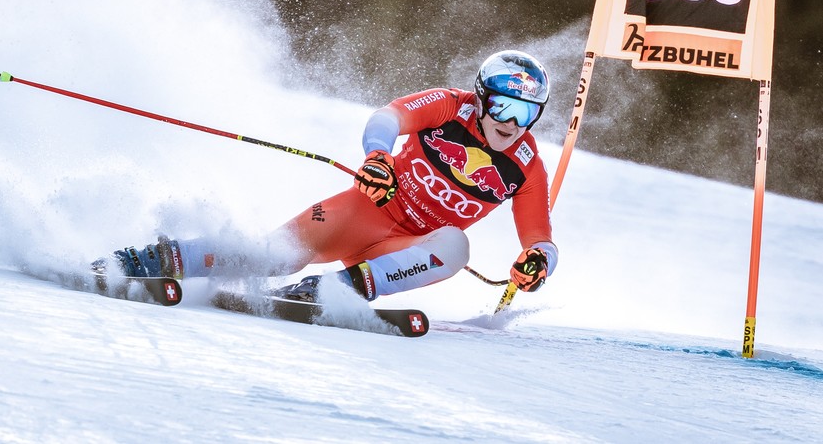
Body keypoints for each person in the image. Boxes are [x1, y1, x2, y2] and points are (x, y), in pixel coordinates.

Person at [100, 50, 558, 303]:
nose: (512, 122)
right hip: (363, 211)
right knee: (271, 255)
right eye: (503, 105)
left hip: (404, 249)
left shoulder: (525, 166)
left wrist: (536, 263)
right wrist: (378, 156)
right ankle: (150, 260)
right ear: (480, 97)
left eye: (526, 112)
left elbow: (541, 238)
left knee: (455, 246)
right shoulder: (448, 105)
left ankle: (327, 293)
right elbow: (388, 117)